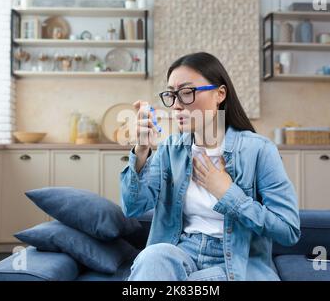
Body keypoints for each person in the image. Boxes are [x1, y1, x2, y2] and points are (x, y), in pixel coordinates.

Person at [120, 52, 300, 281]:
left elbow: (288, 231)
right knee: (153, 257)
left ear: (220, 94)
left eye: (186, 93)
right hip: (182, 252)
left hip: (236, 262)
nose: (175, 105)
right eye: (171, 95)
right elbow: (132, 207)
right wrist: (141, 150)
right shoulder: (169, 150)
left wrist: (228, 194)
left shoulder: (259, 150)